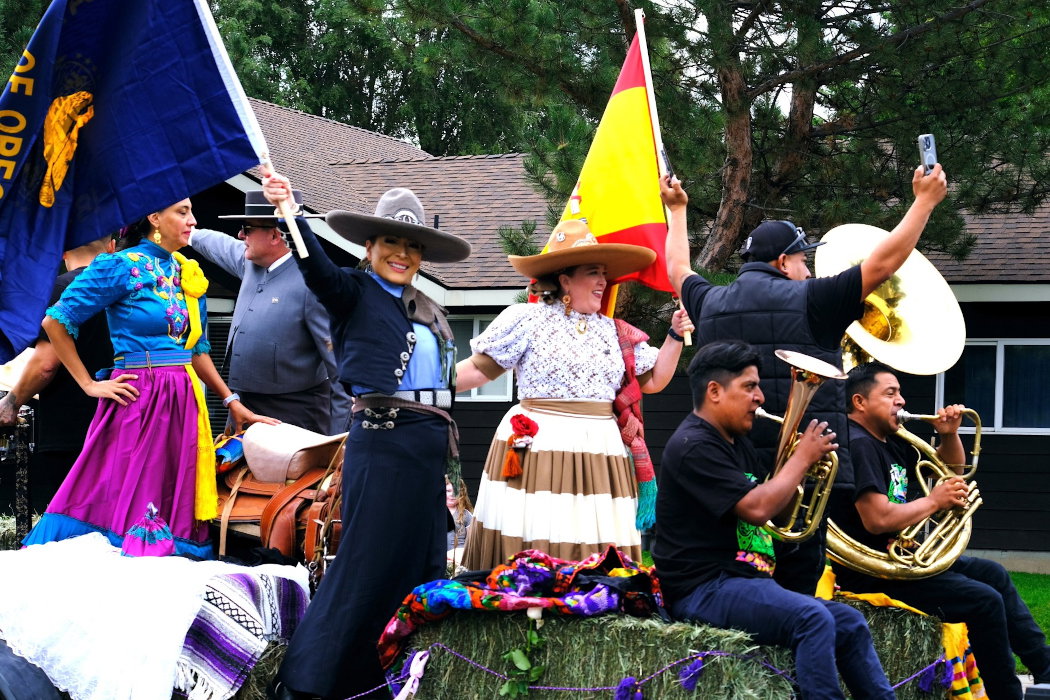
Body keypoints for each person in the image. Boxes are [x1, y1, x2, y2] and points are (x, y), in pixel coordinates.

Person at [662, 164, 948, 594]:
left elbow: (677, 268)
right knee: (796, 589)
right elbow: (884, 263)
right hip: (803, 477)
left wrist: (677, 210)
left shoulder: (711, 301)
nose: (809, 271)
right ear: (783, 262)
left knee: (741, 577)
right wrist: (924, 202)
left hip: (732, 468)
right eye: (803, 260)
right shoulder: (814, 298)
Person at [261, 173, 471, 700]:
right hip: (383, 442)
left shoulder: (429, 308)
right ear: (370, 247)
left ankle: (390, 677)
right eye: (391, 242)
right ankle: (308, 681)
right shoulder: (352, 292)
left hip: (427, 448)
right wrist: (290, 212)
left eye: (413, 246)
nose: (402, 253)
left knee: (421, 563)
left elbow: (444, 384)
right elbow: (316, 269)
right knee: (367, 562)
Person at [21, 199, 276, 557]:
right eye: (182, 212)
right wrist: (89, 384)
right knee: (131, 498)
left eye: (191, 211)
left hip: (184, 400)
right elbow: (56, 321)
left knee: (173, 495)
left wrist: (231, 401)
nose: (193, 220)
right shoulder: (120, 265)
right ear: (154, 217)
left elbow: (197, 349)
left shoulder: (187, 272)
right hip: (140, 399)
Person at [652, 341, 895, 700]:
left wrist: (802, 473)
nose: (760, 397)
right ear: (714, 391)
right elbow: (756, 509)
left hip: (741, 580)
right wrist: (800, 459)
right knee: (812, 618)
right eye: (749, 386)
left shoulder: (737, 444)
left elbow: (776, 514)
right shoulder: (694, 445)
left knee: (849, 622)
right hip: (703, 588)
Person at [456, 219, 693, 569]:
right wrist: (428, 383)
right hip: (536, 447)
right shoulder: (526, 319)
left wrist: (674, 336)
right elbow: (479, 370)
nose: (603, 282)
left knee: (596, 537)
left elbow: (655, 379)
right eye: (593, 272)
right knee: (536, 531)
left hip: (600, 450)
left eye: (604, 274)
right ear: (565, 279)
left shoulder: (616, 332)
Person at [832, 361, 1050, 700]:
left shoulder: (889, 440)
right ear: (859, 402)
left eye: (900, 393)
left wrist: (948, 434)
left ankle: (1046, 668)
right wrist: (934, 501)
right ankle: (1008, 695)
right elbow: (877, 519)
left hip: (901, 561)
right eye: (890, 393)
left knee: (992, 574)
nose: (901, 400)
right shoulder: (859, 444)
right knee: (984, 601)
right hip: (875, 573)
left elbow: (950, 470)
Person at [190, 191, 350, 434]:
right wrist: (185, 232)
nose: (240, 235)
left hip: (294, 421)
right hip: (241, 412)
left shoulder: (315, 285)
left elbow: (340, 372)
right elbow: (217, 244)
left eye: (247, 229)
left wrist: (338, 441)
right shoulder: (249, 262)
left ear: (275, 235)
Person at [0, 235, 114, 513]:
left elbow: (46, 365)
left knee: (73, 520)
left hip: (70, 427)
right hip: (120, 420)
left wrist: (11, 403)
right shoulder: (126, 287)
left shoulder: (63, 288)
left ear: (62, 251)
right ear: (112, 247)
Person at [446, 477, 473, 553]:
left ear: (461, 494)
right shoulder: (434, 513)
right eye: (448, 491)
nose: (452, 494)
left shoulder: (466, 515)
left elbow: (471, 543)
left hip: (459, 556)